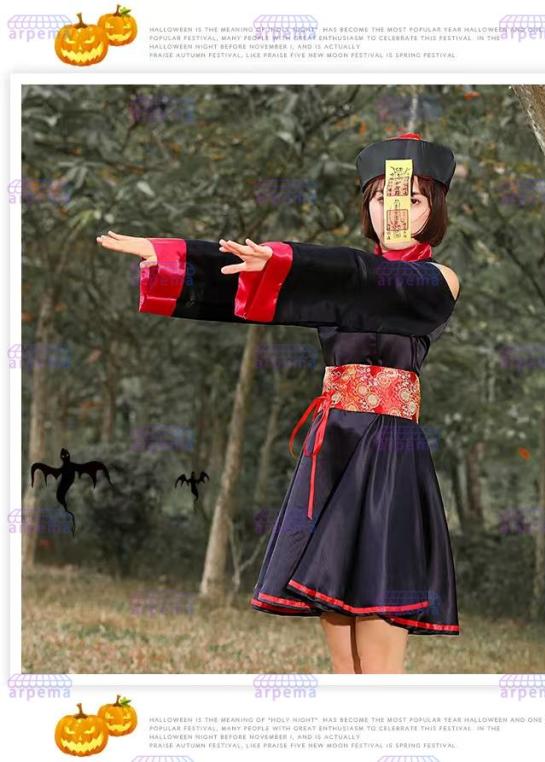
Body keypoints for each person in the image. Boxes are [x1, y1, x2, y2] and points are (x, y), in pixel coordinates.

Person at [96, 131, 462, 674]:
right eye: (383, 197)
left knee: (379, 630)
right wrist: (173, 257)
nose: (395, 211)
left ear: (435, 209)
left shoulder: (436, 281)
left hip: (388, 458)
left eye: (412, 198)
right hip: (334, 448)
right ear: (367, 206)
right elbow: (252, 288)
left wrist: (284, 258)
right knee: (340, 632)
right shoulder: (334, 281)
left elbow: (361, 278)